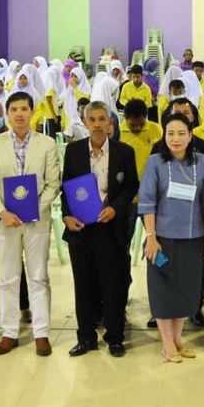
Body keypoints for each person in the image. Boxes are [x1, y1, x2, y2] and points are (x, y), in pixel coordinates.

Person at [0, 92, 62, 355]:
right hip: (6, 222)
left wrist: (33, 210)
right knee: (8, 278)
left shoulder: (46, 143)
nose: (19, 114)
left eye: (24, 109)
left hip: (36, 220)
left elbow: (53, 184)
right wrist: (2, 212)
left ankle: (41, 333)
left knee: (39, 276)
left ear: (32, 112)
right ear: (7, 114)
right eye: (14, 109)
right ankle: (9, 332)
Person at [139, 113, 204, 363]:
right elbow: (147, 202)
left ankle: (178, 339)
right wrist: (151, 237)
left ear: (191, 135)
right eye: (171, 133)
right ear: (164, 136)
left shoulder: (202, 162)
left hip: (193, 238)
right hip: (162, 240)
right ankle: (166, 343)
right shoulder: (155, 162)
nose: (176, 139)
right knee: (163, 290)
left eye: (182, 133)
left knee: (186, 289)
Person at [62, 101, 139, 357]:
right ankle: (86, 338)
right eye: (92, 119)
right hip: (82, 227)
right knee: (83, 285)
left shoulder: (124, 152)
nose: (96, 124)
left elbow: (131, 186)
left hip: (111, 227)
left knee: (113, 284)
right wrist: (66, 216)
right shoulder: (73, 151)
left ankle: (115, 338)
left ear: (110, 123)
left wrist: (115, 208)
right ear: (85, 123)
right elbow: (66, 187)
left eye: (101, 119)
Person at [118, 100, 162, 177]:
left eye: (141, 124)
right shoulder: (118, 133)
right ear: (125, 118)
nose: (137, 128)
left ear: (146, 117)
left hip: (152, 179)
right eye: (132, 125)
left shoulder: (156, 129)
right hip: (128, 181)